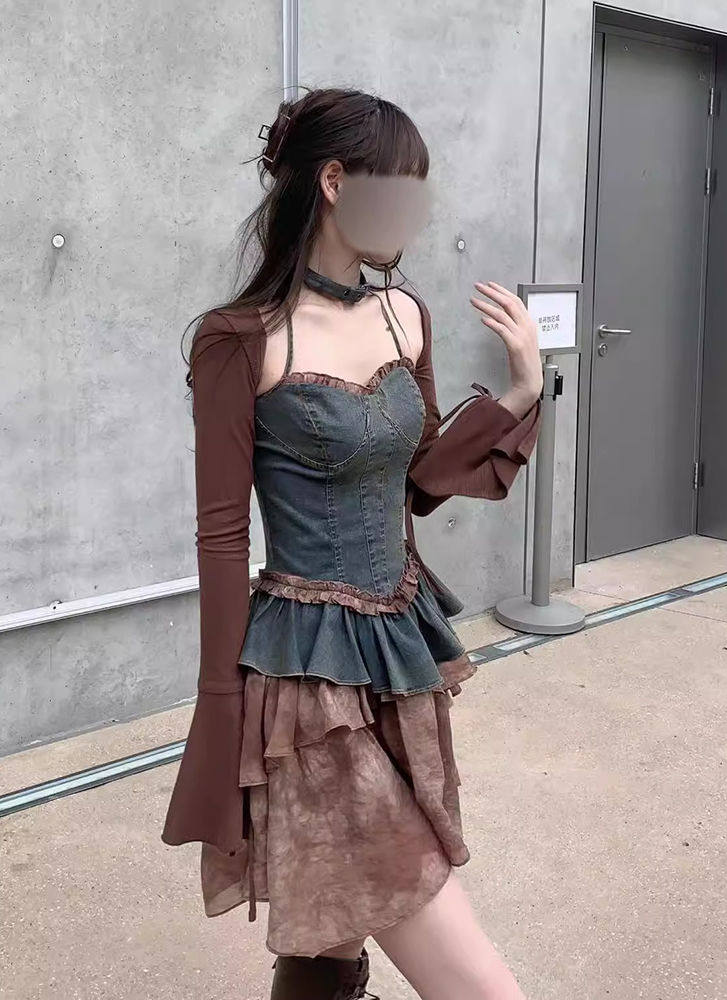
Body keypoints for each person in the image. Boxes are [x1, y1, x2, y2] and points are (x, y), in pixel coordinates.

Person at [161, 86, 543, 1000]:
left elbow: (415, 480)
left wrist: (521, 393)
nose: (418, 211)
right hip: (307, 688)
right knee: (468, 971)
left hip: (398, 657)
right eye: (402, 188)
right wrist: (221, 722)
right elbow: (222, 538)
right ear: (334, 182)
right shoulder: (239, 340)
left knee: (331, 936)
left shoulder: (404, 314)